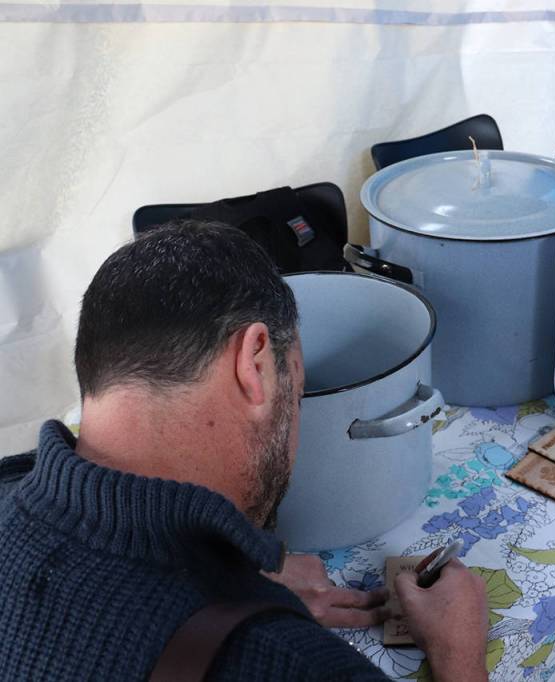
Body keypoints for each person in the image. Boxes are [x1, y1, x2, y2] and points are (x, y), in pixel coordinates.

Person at [0, 222, 488, 681]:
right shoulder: (283, 661)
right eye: (295, 389)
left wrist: (228, 569)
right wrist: (458, 650)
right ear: (253, 364)